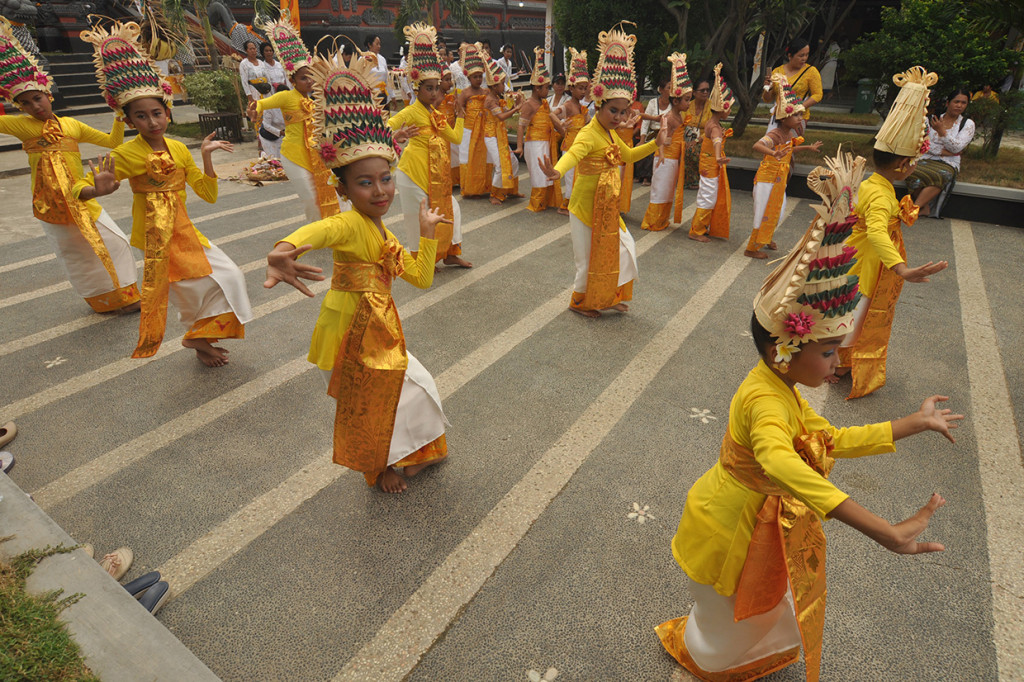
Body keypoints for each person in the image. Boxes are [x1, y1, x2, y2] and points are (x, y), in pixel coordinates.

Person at [655, 148, 962, 681]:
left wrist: (911, 423)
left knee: (766, 609)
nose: (837, 360)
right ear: (784, 349)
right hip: (734, 522)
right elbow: (784, 464)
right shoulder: (764, 401)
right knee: (727, 619)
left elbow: (828, 441)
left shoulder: (785, 388)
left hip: (762, 520)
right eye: (827, 351)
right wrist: (881, 530)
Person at [265, 50, 449, 493]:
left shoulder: (381, 233)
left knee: (413, 390)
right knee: (368, 404)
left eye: (385, 178)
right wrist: (282, 250)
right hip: (349, 336)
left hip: (380, 333)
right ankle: (378, 467)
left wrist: (425, 235)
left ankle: (405, 454)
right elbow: (318, 229)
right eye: (365, 182)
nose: (381, 190)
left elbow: (422, 278)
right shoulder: (348, 224)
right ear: (342, 187)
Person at [74, 21, 252, 366]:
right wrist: (96, 190)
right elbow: (78, 187)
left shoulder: (179, 148)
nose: (152, 122)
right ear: (129, 121)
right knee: (192, 288)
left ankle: (199, 337)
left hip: (185, 229)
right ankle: (198, 341)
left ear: (167, 112)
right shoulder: (125, 155)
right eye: (141, 116)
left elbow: (208, 194)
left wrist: (205, 156)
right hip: (158, 236)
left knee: (230, 275)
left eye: (156, 113)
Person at [0, 18, 140, 314]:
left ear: (48, 95)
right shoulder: (22, 126)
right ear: (20, 108)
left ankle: (127, 294)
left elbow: (112, 142)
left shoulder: (71, 125)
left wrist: (118, 113)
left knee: (116, 241)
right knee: (75, 254)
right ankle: (101, 300)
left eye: (38, 98)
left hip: (82, 193)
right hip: (51, 202)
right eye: (26, 103)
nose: (35, 106)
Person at [539, 25, 666, 319]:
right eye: (613, 111)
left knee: (623, 249)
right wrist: (557, 173)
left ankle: (606, 295)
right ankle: (580, 301)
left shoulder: (611, 135)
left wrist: (655, 143)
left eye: (623, 112)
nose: (619, 117)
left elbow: (629, 156)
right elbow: (572, 154)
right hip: (584, 207)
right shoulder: (589, 133)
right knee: (586, 260)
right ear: (599, 104)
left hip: (606, 207)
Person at [837, 67, 949, 399]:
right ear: (904, 165)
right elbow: (876, 233)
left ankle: (839, 362)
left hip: (855, 257)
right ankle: (837, 364)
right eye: (915, 160)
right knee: (855, 314)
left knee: (850, 310)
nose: (916, 165)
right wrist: (902, 268)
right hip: (865, 264)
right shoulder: (884, 196)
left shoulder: (873, 182)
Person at [387, 23, 471, 268]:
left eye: (436, 88)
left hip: (434, 175)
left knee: (452, 207)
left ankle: (450, 252)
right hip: (412, 173)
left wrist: (460, 114)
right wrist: (397, 133)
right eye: (429, 88)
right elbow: (383, 127)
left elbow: (455, 138)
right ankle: (418, 260)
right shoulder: (411, 111)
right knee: (417, 218)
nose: (434, 93)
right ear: (417, 88)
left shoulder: (436, 114)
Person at [250, 12, 341, 223]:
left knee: (328, 191)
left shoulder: (318, 100)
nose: (308, 81)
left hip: (316, 155)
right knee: (310, 198)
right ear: (293, 79)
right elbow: (262, 103)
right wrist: (255, 108)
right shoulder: (286, 96)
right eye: (303, 78)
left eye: (310, 77)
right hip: (293, 155)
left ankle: (330, 228)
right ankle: (315, 232)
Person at [745, 74, 822, 258]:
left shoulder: (788, 135)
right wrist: (773, 153)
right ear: (784, 117)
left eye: (800, 114)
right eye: (795, 115)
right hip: (766, 180)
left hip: (779, 180)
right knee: (763, 211)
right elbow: (757, 145)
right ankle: (751, 248)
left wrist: (808, 147)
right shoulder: (776, 134)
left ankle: (766, 237)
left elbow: (789, 150)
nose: (799, 118)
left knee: (778, 211)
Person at [641, 53, 692, 231]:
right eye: (686, 100)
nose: (688, 103)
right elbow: (661, 138)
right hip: (665, 158)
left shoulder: (680, 116)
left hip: (673, 158)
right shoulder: (669, 117)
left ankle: (662, 219)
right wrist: (662, 153)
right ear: (676, 100)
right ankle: (652, 221)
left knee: (668, 191)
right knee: (660, 191)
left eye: (689, 99)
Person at [905, 88, 974, 217]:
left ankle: (913, 209)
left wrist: (942, 132)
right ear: (948, 103)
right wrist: (942, 150)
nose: (959, 105)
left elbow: (956, 148)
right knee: (911, 171)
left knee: (941, 175)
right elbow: (920, 142)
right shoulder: (932, 119)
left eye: (963, 103)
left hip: (948, 162)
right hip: (925, 157)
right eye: (956, 101)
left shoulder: (967, 124)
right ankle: (924, 207)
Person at [515, 47, 565, 212]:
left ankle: (546, 200)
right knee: (538, 172)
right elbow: (521, 125)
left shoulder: (544, 104)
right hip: (534, 143)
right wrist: (520, 145)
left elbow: (553, 118)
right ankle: (536, 203)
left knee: (546, 170)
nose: (548, 90)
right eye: (545, 87)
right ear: (537, 88)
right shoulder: (529, 105)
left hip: (546, 141)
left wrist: (564, 129)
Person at [689, 63, 734, 243]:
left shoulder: (710, 121)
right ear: (722, 108)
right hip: (710, 164)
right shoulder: (714, 127)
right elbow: (716, 141)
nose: (730, 111)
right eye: (729, 107)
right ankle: (696, 230)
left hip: (707, 163)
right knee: (707, 197)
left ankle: (702, 227)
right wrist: (718, 158)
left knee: (707, 195)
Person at [482, 56, 524, 205]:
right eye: (501, 83)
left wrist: (516, 105)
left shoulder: (498, 97)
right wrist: (516, 109)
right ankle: (494, 194)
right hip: (491, 136)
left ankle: (511, 190)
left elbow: (507, 111)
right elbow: (501, 117)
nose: (504, 86)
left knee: (513, 162)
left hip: (499, 135)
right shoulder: (490, 100)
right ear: (494, 86)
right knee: (500, 165)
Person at [554, 48, 591, 214]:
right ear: (572, 88)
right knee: (570, 177)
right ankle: (565, 206)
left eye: (585, 88)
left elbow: (591, 124)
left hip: (580, 147)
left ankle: (574, 203)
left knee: (578, 176)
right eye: (580, 88)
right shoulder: (569, 105)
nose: (583, 92)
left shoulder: (582, 108)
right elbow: (552, 114)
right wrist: (561, 126)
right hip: (569, 146)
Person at [762, 38, 822, 134]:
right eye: (801, 55)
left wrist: (798, 108)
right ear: (790, 56)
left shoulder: (811, 71)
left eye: (807, 54)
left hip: (796, 118)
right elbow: (767, 99)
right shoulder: (777, 71)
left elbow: (817, 95)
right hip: (779, 118)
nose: (804, 58)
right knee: (772, 146)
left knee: (788, 147)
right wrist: (768, 88)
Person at [457, 42, 490, 197]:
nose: (478, 79)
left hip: (483, 128)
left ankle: (482, 186)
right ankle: (468, 187)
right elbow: (459, 107)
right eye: (475, 77)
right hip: (469, 129)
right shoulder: (465, 93)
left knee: (482, 156)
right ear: (469, 77)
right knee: (467, 156)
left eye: (480, 76)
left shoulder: (486, 91)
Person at [636, 76, 671, 185]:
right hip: (652, 133)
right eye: (669, 88)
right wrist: (642, 138)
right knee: (644, 147)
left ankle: (650, 177)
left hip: (666, 134)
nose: (671, 91)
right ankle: (643, 176)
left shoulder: (674, 104)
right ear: (661, 89)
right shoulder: (652, 102)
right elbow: (646, 122)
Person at [683, 77, 713, 188]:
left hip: (704, 139)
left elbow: (711, 129)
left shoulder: (711, 107)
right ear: (694, 93)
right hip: (685, 137)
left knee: (692, 150)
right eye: (702, 90)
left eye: (707, 90)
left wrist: (696, 141)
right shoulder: (687, 105)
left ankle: (694, 180)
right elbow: (680, 124)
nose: (705, 92)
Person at [258, 83, 287, 159]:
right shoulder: (270, 106)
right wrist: (280, 132)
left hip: (281, 136)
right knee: (273, 159)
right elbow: (266, 125)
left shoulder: (291, 106)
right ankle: (263, 154)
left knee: (282, 158)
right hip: (267, 136)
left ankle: (263, 155)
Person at [238, 40, 266, 104]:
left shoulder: (261, 63)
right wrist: (249, 96)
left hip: (265, 91)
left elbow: (267, 77)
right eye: (250, 49)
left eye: (254, 48)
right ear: (246, 50)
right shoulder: (244, 64)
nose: (253, 51)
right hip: (254, 92)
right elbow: (244, 81)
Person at [365, 34, 390, 105]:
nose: (379, 46)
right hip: (370, 95)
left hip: (382, 94)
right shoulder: (363, 59)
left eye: (380, 44)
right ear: (369, 44)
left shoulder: (382, 59)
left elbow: (387, 78)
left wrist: (391, 95)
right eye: (377, 44)